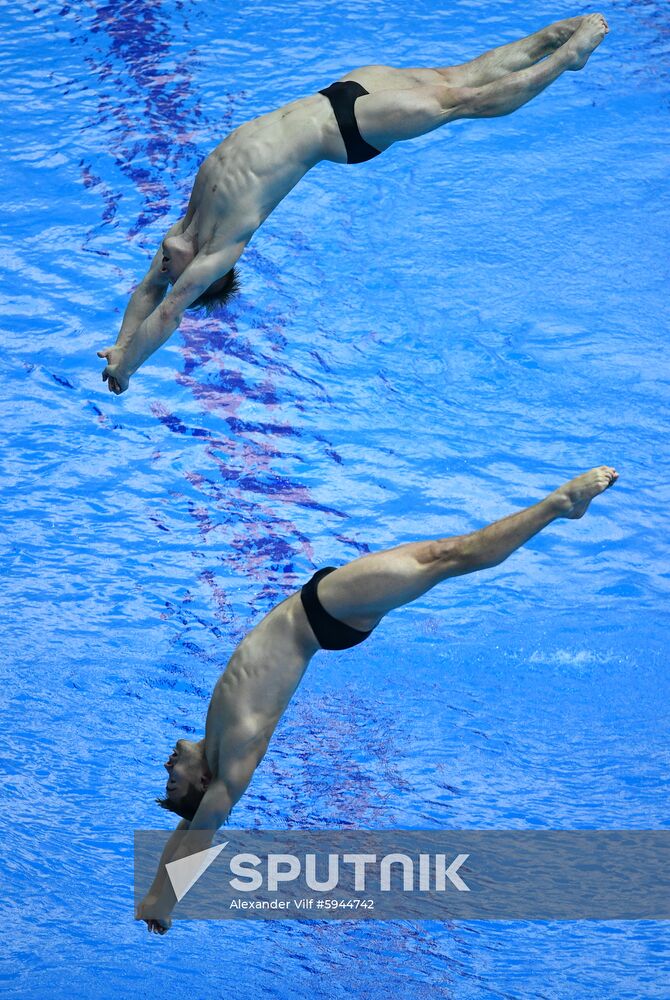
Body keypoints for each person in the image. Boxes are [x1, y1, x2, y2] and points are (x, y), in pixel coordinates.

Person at [135, 465, 618, 933]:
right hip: (322, 612)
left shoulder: (215, 742)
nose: (167, 765)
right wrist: (169, 904)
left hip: (319, 608)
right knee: (452, 555)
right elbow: (202, 830)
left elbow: (186, 830)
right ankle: (561, 504)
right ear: (203, 779)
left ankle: (559, 506)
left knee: (446, 556)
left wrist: (155, 893)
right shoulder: (234, 760)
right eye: (173, 780)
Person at [100, 14, 608, 395]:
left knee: (459, 75)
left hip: (337, 93)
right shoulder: (217, 250)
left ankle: (548, 38)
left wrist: (122, 344)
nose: (162, 268)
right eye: (174, 274)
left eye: (164, 269)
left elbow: (148, 291)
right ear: (201, 280)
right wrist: (127, 370)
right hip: (345, 132)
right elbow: (166, 311)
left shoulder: (185, 230)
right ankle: (568, 59)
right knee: (463, 104)